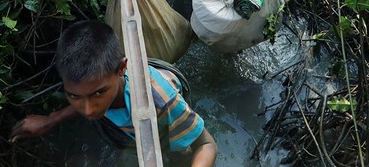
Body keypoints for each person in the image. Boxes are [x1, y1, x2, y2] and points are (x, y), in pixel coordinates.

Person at [11, 21, 218, 166]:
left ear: (121, 68)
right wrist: (51, 119)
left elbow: (207, 145)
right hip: (129, 118)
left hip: (164, 110)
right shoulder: (98, 89)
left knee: (179, 155)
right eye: (74, 96)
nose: (88, 110)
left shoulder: (163, 103)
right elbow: (88, 97)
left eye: (98, 93)